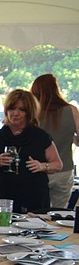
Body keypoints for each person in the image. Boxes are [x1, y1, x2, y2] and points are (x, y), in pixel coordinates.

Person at [0, 89, 62, 213]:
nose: (15, 113)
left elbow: (58, 164)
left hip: (34, 198)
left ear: (29, 113)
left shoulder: (41, 137)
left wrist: (42, 166)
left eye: (21, 110)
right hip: (3, 198)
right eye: (12, 109)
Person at [31, 73, 79, 208]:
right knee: (59, 211)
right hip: (64, 169)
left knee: (37, 209)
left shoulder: (34, 112)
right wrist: (71, 137)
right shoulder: (72, 110)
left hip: (38, 169)